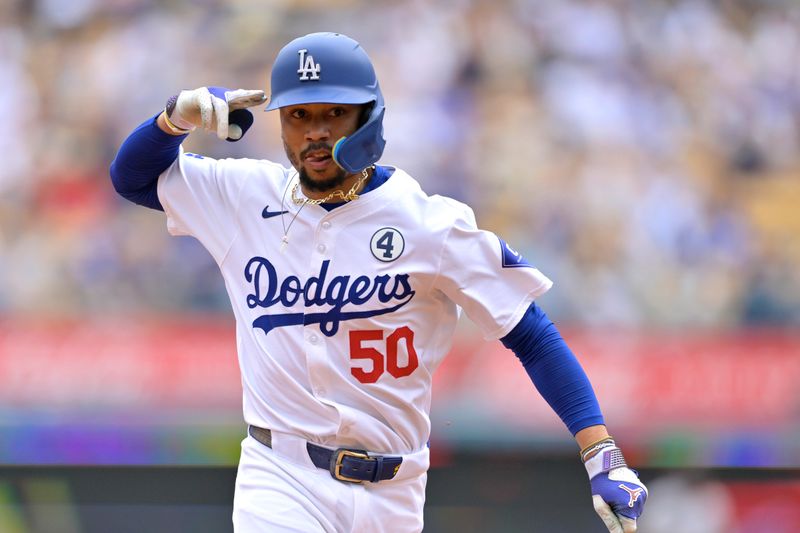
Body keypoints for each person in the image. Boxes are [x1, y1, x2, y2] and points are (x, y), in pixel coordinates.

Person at [109, 31, 647, 533]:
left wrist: (601, 452)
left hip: (394, 490)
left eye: (334, 113)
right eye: (298, 115)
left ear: (368, 118)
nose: (315, 131)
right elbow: (131, 178)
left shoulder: (429, 224)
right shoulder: (244, 195)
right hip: (280, 475)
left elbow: (530, 333)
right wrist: (172, 120)